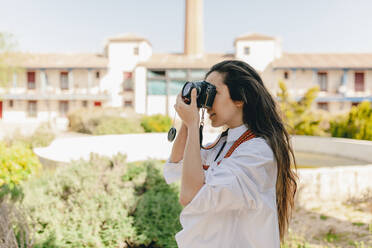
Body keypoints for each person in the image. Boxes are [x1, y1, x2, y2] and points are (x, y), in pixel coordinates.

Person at [163, 60, 297, 248]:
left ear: (240, 98)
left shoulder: (257, 152)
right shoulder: (223, 145)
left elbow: (190, 196)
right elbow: (179, 163)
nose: (207, 103)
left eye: (213, 93)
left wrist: (194, 124)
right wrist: (188, 119)